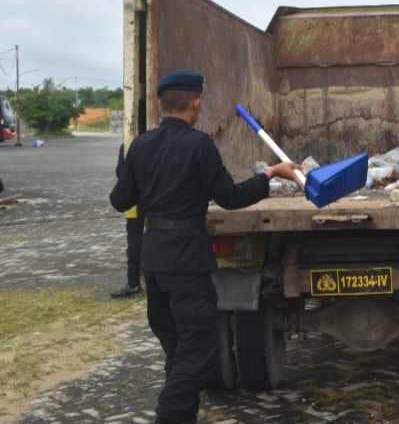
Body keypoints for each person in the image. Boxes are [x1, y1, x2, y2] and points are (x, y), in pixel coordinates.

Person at [109, 70, 303, 424]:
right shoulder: (200, 147)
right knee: (196, 351)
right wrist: (271, 173)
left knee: (177, 349)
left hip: (154, 262)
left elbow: (120, 201)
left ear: (161, 104)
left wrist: (127, 166)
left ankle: (182, 414)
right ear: (195, 102)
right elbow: (230, 197)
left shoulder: (139, 146)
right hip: (188, 262)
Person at [111, 143, 146, 298]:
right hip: (156, 197)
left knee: (134, 240)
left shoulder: (128, 145)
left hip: (134, 198)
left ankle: (133, 283)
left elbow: (120, 172)